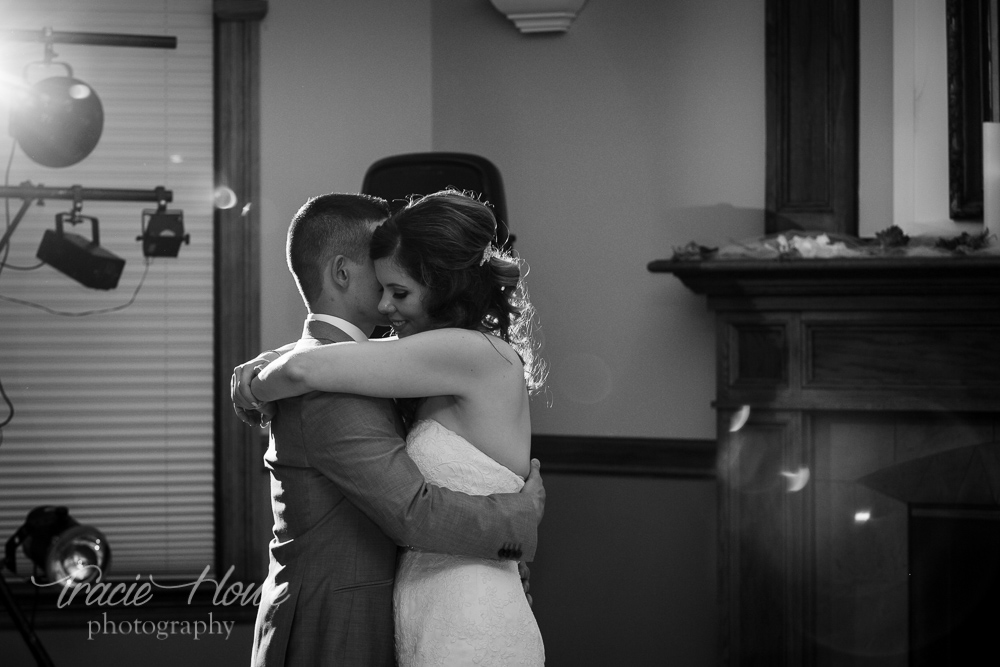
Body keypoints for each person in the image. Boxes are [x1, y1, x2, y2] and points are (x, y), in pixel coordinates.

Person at [234, 190, 547, 666]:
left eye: (398, 291)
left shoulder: (434, 358)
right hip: (354, 618)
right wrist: (515, 526)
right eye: (380, 284)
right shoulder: (378, 372)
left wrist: (257, 378)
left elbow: (307, 369)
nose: (385, 306)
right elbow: (411, 513)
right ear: (342, 271)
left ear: (438, 284)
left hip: (460, 613)